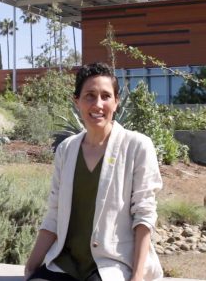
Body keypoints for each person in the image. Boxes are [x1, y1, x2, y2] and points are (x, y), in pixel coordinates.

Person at [24, 63, 163, 281]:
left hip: (111, 263)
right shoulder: (66, 150)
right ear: (76, 101)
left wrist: (137, 277)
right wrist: (32, 266)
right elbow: (54, 212)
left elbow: (144, 215)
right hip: (65, 263)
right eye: (89, 95)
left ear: (116, 102)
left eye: (106, 96)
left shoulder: (137, 146)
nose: (98, 104)